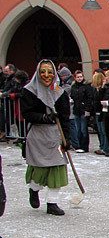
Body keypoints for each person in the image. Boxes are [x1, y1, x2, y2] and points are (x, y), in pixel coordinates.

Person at [20, 60, 70, 216]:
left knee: (57, 168)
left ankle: (52, 202)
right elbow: (26, 113)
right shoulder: (29, 91)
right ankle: (34, 189)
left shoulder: (60, 92)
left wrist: (67, 139)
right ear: (38, 72)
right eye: (43, 72)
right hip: (38, 135)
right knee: (40, 170)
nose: (46, 75)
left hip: (56, 135)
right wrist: (44, 117)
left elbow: (65, 117)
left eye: (50, 72)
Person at [91, 71, 109, 155]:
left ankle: (105, 148)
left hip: (102, 111)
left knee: (104, 131)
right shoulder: (95, 90)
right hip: (97, 111)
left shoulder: (102, 90)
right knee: (100, 131)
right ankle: (102, 146)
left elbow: (99, 99)